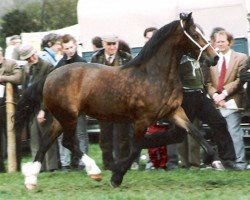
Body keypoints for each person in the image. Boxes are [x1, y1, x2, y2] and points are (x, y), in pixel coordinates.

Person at [207, 30, 248, 170]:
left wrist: (223, 94)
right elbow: (207, 82)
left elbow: (239, 80)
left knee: (233, 131)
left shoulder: (241, 57)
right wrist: (215, 96)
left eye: (223, 41)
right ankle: (224, 162)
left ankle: (240, 163)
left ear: (229, 42)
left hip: (232, 100)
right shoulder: (211, 59)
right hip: (215, 102)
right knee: (218, 134)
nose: (221, 44)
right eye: (218, 42)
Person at [91, 35, 132, 170]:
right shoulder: (96, 58)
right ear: (103, 43)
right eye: (109, 44)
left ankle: (123, 162)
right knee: (105, 136)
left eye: (114, 44)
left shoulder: (126, 57)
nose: (112, 47)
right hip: (103, 104)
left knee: (123, 136)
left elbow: (132, 79)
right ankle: (108, 163)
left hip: (121, 103)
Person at [19, 43, 59, 172]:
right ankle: (38, 166)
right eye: (27, 58)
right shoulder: (26, 69)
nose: (30, 59)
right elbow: (24, 89)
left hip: (45, 106)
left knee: (47, 136)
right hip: (31, 108)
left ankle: (51, 166)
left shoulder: (47, 67)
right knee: (34, 139)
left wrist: (43, 110)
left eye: (31, 56)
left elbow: (50, 91)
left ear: (35, 52)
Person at [55, 34, 88, 171]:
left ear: (75, 45)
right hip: (63, 106)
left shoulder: (82, 63)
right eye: (67, 48)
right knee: (63, 134)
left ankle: (83, 161)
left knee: (80, 133)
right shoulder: (60, 64)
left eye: (71, 47)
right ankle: (65, 163)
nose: (70, 50)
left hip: (79, 105)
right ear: (63, 49)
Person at [0, 46, 23, 172]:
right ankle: (1, 169)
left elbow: (19, 78)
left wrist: (3, 78)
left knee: (14, 136)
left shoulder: (11, 63)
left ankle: (16, 166)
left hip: (10, 107)